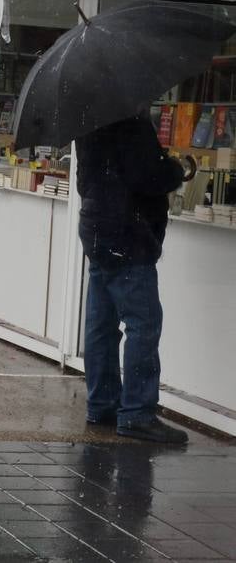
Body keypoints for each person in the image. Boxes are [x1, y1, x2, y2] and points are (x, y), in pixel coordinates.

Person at [75, 112, 193, 444]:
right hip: (128, 232)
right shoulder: (129, 119)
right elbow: (148, 177)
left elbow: (86, 181)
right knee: (144, 323)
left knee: (101, 324)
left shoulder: (87, 120)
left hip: (98, 229)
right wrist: (173, 168)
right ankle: (138, 413)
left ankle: (102, 405)